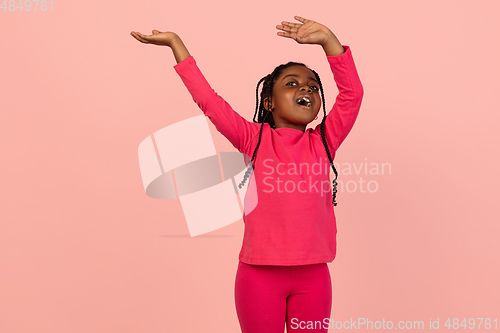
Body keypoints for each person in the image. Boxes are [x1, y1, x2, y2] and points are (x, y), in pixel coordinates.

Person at [131, 15, 364, 333]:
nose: (305, 89)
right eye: (291, 83)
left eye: (312, 86)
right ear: (268, 101)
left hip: (315, 276)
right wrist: (176, 45)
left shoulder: (324, 142)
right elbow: (209, 101)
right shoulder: (253, 138)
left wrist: (329, 43)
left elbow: (352, 96)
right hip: (258, 276)